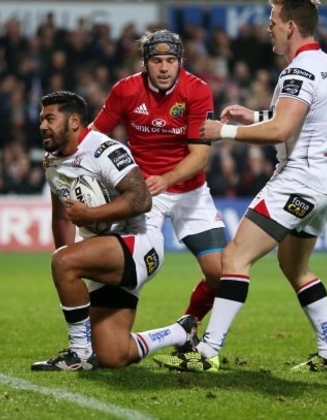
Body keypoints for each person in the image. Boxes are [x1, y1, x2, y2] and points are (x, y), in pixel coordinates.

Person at [155, 0, 327, 373]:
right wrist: (253, 114)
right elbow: (298, 116)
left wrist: (223, 130)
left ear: (291, 26)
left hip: (297, 181)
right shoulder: (324, 63)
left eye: (273, 23)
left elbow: (281, 129)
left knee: (234, 259)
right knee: (295, 269)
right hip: (324, 185)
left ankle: (207, 352)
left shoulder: (299, 70)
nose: (268, 29)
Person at [30, 91, 198, 371]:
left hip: (137, 242)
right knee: (113, 355)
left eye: (49, 118)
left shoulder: (103, 149)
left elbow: (142, 199)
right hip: (105, 252)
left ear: (74, 122)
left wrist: (85, 226)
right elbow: (61, 216)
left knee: (64, 262)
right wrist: (66, 255)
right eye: (41, 119)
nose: (42, 125)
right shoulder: (52, 162)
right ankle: (182, 332)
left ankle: (79, 354)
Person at [90, 29, 227, 352]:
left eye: (170, 61)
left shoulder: (197, 90)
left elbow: (200, 155)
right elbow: (95, 135)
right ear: (145, 64)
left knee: (220, 274)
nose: (164, 68)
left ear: (180, 62)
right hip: (142, 195)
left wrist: (165, 179)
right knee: (133, 268)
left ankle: (188, 324)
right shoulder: (125, 91)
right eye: (156, 61)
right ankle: (108, 336)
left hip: (190, 193)